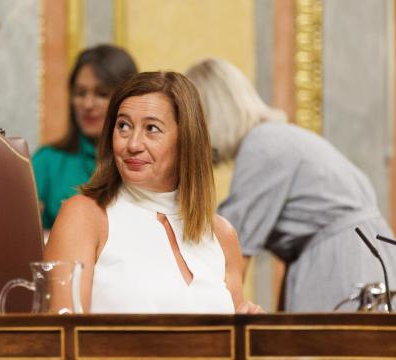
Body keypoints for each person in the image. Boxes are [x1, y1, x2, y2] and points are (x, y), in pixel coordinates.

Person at [185, 58, 396, 312]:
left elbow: (230, 254)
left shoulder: (262, 144)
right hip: (375, 263)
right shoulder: (281, 136)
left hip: (344, 270)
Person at [44, 71, 263, 313]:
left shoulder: (222, 235)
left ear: (186, 140)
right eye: (123, 126)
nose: (133, 145)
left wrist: (251, 325)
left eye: (152, 128)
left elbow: (233, 340)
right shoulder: (85, 216)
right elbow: (61, 338)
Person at [32, 45, 137, 229]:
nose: (88, 104)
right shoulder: (47, 161)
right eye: (80, 93)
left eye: (102, 94)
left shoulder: (141, 160)